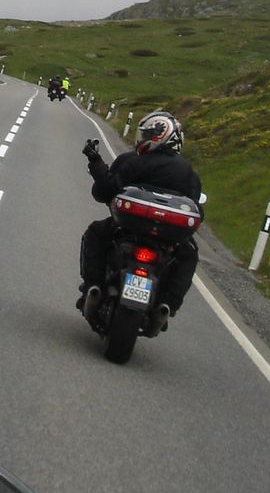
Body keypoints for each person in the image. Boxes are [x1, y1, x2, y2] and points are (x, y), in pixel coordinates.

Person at [77, 110, 202, 332]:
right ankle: (167, 304)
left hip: (127, 229)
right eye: (144, 134)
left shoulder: (133, 161)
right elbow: (197, 207)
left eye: (149, 134)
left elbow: (105, 191)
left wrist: (96, 162)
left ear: (163, 136)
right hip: (167, 239)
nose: (144, 139)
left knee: (95, 232)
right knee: (189, 254)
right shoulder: (188, 171)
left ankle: (93, 285)